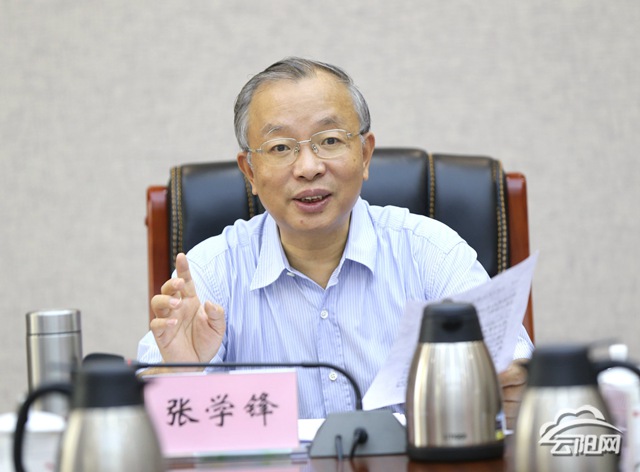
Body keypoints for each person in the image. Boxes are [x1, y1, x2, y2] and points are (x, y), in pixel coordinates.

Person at [137, 57, 532, 427]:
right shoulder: (210, 273)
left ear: (365, 155)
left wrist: (509, 389)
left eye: (329, 140)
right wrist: (181, 375)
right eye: (280, 148)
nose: (308, 167)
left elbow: (515, 377)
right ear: (250, 172)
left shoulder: (432, 253)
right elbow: (150, 421)